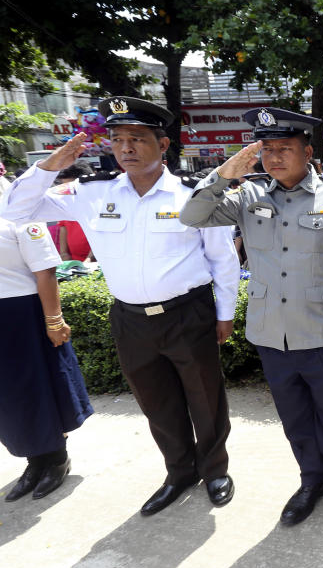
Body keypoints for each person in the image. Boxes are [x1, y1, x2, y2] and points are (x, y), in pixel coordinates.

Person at [0, 96, 239, 516]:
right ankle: (178, 472)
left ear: (163, 145)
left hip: (188, 311)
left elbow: (222, 257)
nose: (126, 147)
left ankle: (215, 469)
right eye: (118, 139)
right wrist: (50, 164)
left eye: (137, 138)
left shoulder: (193, 194)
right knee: (156, 402)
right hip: (130, 318)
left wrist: (225, 314)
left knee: (205, 397)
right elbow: (15, 208)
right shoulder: (92, 193)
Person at [179, 108, 323, 529]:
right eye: (267, 149)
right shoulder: (248, 197)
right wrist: (224, 174)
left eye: (285, 147)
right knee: (295, 416)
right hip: (272, 332)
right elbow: (192, 216)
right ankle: (311, 480)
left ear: (308, 151)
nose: (275, 156)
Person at [0, 189, 92, 502]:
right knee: (9, 396)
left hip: (24, 314)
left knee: (38, 388)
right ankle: (33, 461)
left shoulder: (19, 213)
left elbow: (46, 270)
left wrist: (54, 320)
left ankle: (56, 459)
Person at [52, 161, 94, 262]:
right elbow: (63, 228)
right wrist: (64, 253)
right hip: (74, 262)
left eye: (71, 186)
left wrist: (89, 259)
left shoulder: (98, 204)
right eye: (64, 186)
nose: (67, 190)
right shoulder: (66, 202)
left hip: (96, 262)